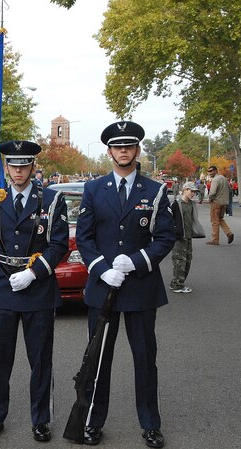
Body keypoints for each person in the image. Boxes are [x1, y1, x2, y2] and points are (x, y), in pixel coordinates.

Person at [75, 121, 175, 448]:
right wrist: (101, 269)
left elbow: (164, 237)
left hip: (141, 288)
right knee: (98, 360)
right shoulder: (94, 189)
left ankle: (150, 423)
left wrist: (136, 260)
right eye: (117, 147)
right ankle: (92, 420)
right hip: (103, 288)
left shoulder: (155, 190)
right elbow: (85, 238)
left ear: (137, 150)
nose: (123, 151)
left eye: (128, 146)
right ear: (109, 151)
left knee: (145, 360)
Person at [0, 140, 69, 443]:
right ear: (4, 167)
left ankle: (40, 419)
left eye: (24, 165)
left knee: (40, 359)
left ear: (32, 167)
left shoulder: (52, 199)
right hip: (1, 284)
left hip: (37, 289)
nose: (18, 171)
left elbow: (58, 245)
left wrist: (34, 273)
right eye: (12, 165)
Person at [170, 182, 202, 293]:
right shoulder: (176, 204)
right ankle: (177, 285)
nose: (193, 194)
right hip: (179, 237)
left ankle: (178, 282)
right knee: (179, 261)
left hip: (188, 236)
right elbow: (169, 220)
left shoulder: (192, 204)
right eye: (191, 191)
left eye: (194, 192)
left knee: (188, 261)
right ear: (185, 190)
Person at [206, 165, 234, 245]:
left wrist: (210, 199)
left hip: (216, 203)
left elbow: (212, 192)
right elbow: (230, 189)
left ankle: (215, 239)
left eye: (211, 171)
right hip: (224, 203)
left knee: (214, 221)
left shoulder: (215, 180)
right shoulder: (224, 179)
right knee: (220, 219)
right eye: (209, 171)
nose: (210, 173)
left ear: (215, 171)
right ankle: (229, 233)